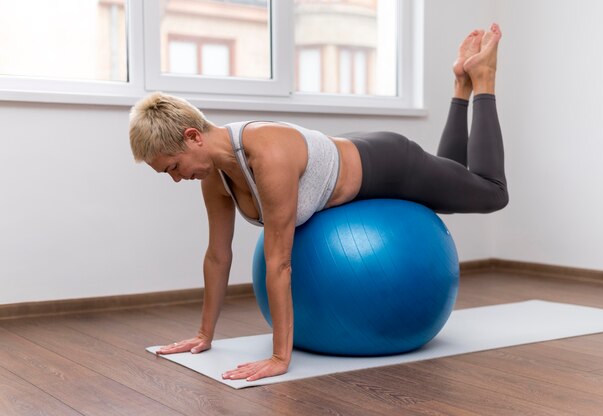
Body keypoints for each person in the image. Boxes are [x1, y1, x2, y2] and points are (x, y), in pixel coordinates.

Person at [129, 23, 507, 382]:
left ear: (193, 136)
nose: (177, 178)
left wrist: (280, 357)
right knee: (455, 179)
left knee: (490, 192)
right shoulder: (214, 175)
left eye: (174, 167)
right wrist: (203, 335)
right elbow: (218, 255)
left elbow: (279, 262)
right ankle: (461, 83)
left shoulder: (266, 154)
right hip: (346, 154)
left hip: (389, 164)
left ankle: (483, 78)